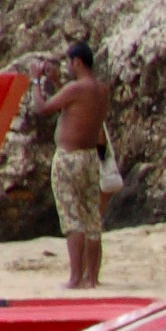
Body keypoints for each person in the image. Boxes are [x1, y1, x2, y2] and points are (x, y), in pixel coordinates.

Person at [26, 40, 112, 290]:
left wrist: (35, 81)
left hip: (69, 158)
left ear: (77, 62)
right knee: (92, 219)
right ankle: (91, 278)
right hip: (89, 158)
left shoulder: (77, 89)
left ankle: (75, 278)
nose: (66, 66)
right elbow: (76, 105)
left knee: (72, 218)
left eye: (68, 62)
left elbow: (43, 107)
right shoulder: (100, 90)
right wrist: (56, 82)